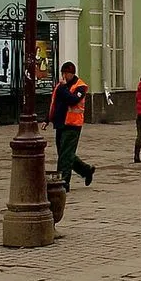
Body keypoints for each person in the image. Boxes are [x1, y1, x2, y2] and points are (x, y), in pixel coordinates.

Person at [43, 61, 95, 191]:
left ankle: (63, 182)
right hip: (60, 123)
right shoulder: (61, 86)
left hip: (73, 124)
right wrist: (47, 119)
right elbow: (55, 103)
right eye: (63, 73)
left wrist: (64, 88)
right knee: (65, 153)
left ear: (72, 74)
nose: (64, 76)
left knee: (65, 155)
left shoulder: (80, 87)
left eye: (67, 73)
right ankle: (86, 170)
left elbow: (72, 100)